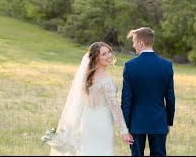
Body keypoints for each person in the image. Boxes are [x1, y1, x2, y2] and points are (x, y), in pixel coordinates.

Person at [42, 42, 131, 156]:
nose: (109, 56)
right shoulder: (106, 80)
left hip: (87, 120)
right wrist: (124, 131)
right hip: (102, 122)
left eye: (109, 52)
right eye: (103, 54)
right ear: (96, 58)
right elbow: (115, 108)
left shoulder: (87, 77)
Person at [121, 27, 176, 156]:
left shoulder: (130, 66)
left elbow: (126, 100)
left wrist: (125, 126)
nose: (133, 45)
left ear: (140, 43)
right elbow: (170, 98)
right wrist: (168, 121)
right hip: (159, 120)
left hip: (136, 122)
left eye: (134, 42)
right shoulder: (166, 65)